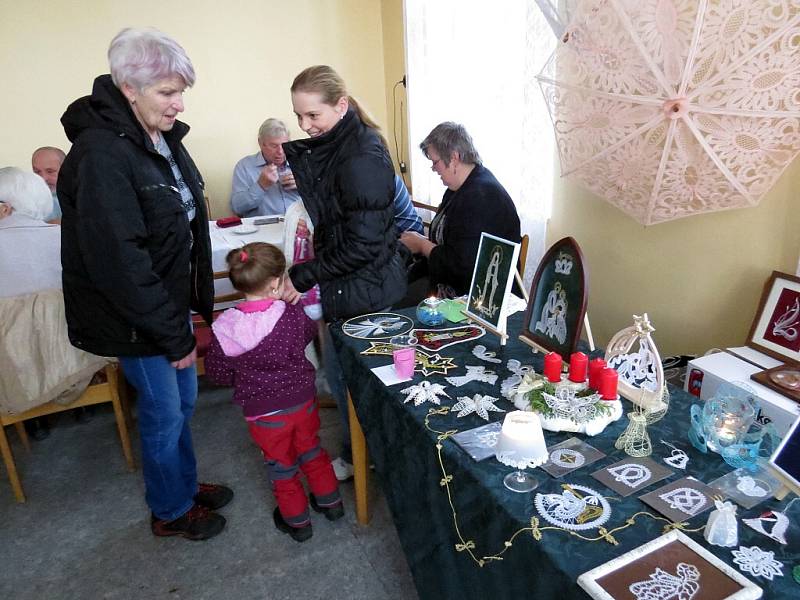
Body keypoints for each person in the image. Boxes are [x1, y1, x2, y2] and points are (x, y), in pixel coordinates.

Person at [58, 27, 232, 541]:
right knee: (162, 409)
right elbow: (120, 262)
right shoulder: (101, 154)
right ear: (128, 87)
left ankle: (182, 484)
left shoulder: (157, 138)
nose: (178, 103)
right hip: (135, 315)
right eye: (166, 92)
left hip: (165, 303)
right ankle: (170, 509)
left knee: (180, 404)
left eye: (181, 91)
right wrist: (173, 332)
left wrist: (185, 311)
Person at [283, 65, 407, 480]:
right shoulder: (343, 145)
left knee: (354, 385)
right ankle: (362, 453)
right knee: (343, 379)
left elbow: (364, 245)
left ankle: (364, 458)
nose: (304, 125)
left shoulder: (360, 156)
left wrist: (303, 275)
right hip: (351, 286)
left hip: (366, 292)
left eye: (312, 116)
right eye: (298, 116)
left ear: (340, 105)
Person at [205, 242, 343, 542]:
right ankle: (331, 504)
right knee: (312, 450)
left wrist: (242, 375)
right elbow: (308, 333)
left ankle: (298, 523)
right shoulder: (291, 315)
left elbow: (216, 372)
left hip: (263, 413)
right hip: (303, 402)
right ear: (275, 282)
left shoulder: (224, 327)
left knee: (281, 466)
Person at [400, 122, 521, 302]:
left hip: (479, 300)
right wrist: (420, 243)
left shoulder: (482, 197)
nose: (434, 168)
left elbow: (462, 265)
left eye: (435, 162)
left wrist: (422, 245)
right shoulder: (459, 189)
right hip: (453, 287)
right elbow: (452, 244)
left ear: (454, 157)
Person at [230, 118, 301, 217]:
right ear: (261, 143)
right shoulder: (244, 166)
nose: (280, 151)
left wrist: (303, 186)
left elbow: (323, 200)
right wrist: (261, 185)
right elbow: (237, 208)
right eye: (274, 146)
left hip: (299, 225)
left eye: (285, 145)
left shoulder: (301, 162)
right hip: (262, 229)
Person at [31, 146, 65, 222]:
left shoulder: (82, 197)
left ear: (65, 170)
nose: (43, 178)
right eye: (37, 172)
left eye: (50, 171)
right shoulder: (25, 200)